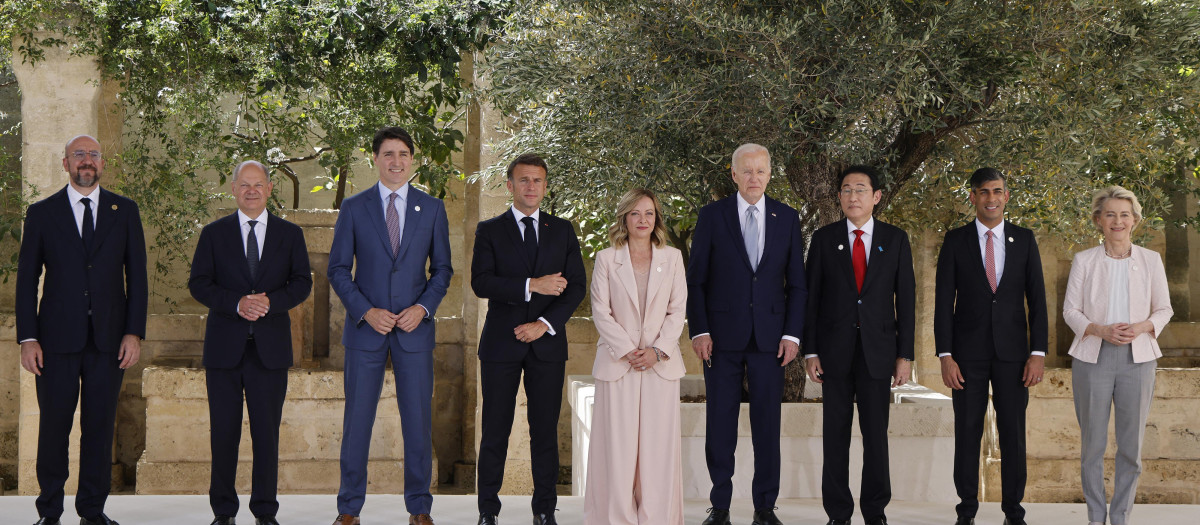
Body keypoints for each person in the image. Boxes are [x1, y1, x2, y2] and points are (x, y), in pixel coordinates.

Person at [17, 134, 148, 525]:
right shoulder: (42, 213)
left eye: (93, 154)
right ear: (66, 164)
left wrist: (133, 332)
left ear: (102, 163)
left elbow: (136, 278)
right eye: (79, 155)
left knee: (98, 428)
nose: (86, 161)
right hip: (54, 342)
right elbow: (27, 281)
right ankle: (50, 512)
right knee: (54, 427)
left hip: (110, 342)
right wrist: (28, 338)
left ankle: (92, 510)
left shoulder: (124, 211)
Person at [327, 127, 453, 525]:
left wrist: (423, 308)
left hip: (415, 331)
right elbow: (338, 269)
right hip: (367, 331)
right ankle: (349, 509)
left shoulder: (432, 208)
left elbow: (443, 270)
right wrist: (366, 311)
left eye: (402, 154)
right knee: (357, 421)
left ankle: (419, 508)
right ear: (376, 159)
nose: (396, 161)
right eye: (387, 154)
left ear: (412, 160)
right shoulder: (354, 207)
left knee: (417, 421)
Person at [687, 143, 807, 525]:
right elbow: (697, 281)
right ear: (734, 174)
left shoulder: (787, 218)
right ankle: (719, 506)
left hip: (771, 341)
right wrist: (700, 330)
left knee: (767, 427)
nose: (754, 178)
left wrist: (792, 336)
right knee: (720, 423)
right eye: (747, 171)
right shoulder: (711, 216)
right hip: (719, 339)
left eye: (761, 171)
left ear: (770, 174)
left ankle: (764, 508)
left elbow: (798, 286)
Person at [188, 160, 313, 525]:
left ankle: (265, 512)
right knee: (223, 434)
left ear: (270, 189)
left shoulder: (290, 235)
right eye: (245, 185)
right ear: (233, 189)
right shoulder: (214, 234)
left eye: (258, 184)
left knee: (266, 436)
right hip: (224, 350)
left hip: (270, 351)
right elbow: (199, 283)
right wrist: (237, 303)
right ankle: (224, 512)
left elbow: (302, 282)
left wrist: (271, 302)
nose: (252, 190)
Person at [471, 153, 586, 525]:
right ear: (510, 185)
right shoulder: (489, 230)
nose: (531, 187)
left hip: (547, 345)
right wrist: (531, 286)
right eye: (523, 180)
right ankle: (488, 510)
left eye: (537, 180)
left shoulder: (563, 230)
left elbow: (575, 288)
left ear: (545, 186)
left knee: (545, 433)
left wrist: (544, 324)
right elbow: (481, 282)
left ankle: (544, 511)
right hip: (501, 345)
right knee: (495, 430)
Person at [934, 168, 1048, 525]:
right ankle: (966, 509)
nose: (991, 198)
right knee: (968, 431)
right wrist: (945, 355)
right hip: (966, 355)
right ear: (972, 197)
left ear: (1007, 195)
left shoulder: (1024, 239)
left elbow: (1038, 301)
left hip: (1015, 355)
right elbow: (942, 303)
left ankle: (1014, 511)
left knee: (1013, 433)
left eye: (997, 191)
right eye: (984, 192)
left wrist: (1038, 353)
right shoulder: (955, 240)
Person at [804, 165, 914, 525]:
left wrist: (905, 355)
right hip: (833, 354)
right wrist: (811, 350)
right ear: (839, 197)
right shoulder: (823, 239)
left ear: (876, 197)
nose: (854, 196)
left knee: (875, 437)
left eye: (861, 190)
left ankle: (875, 511)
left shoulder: (895, 239)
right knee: (835, 437)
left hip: (878, 353)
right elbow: (812, 299)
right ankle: (838, 513)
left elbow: (907, 301)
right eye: (847, 190)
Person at [1063, 186, 1172, 525]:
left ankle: (1121, 515)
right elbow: (1070, 311)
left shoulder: (1151, 260)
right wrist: (1100, 329)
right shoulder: (1084, 260)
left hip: (1138, 361)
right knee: (1092, 447)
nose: (1118, 220)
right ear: (1098, 220)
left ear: (1135, 220)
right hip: (1093, 359)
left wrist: (1140, 327)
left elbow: (1165, 309)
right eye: (1110, 214)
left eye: (1125, 214)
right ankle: (1097, 516)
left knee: (1131, 447)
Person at [584, 188, 688, 525]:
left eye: (649, 213)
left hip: (660, 367)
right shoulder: (605, 258)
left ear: (656, 218)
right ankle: (615, 518)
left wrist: (657, 351)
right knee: (618, 450)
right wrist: (630, 351)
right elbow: (600, 311)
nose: (643, 220)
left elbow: (678, 311)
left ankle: (657, 518)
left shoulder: (672, 258)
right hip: (619, 363)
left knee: (657, 451)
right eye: (635, 214)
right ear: (624, 218)